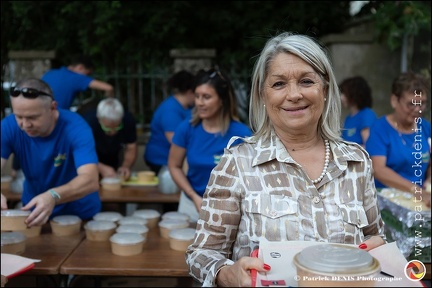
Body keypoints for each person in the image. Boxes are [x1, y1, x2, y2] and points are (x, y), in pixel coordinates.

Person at [185, 32, 386, 287]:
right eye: (279, 84)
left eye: (306, 81)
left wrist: (379, 252)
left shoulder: (356, 162)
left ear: (324, 89)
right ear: (262, 95)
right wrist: (227, 273)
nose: (294, 94)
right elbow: (200, 254)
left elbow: (375, 238)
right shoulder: (238, 163)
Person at [1, 78, 101, 227]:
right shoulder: (8, 126)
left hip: (79, 214)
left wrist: (53, 195)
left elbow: (90, 180)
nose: (25, 124)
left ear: (53, 107)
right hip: (34, 214)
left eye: (33, 117)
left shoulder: (76, 128)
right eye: (18, 116)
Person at [168, 67, 252, 223]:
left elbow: (251, 177)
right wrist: (192, 195)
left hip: (230, 209)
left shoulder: (241, 134)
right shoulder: (186, 129)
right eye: (197, 96)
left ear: (222, 100)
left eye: (206, 97)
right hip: (191, 205)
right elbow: (174, 166)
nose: (200, 102)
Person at [366, 72, 431, 207]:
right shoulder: (380, 129)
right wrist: (416, 190)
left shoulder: (425, 127)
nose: (418, 109)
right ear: (394, 101)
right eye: (411, 104)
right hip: (389, 202)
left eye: (422, 104)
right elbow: (378, 170)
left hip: (421, 200)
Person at [144, 70, 196, 174]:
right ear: (190, 92)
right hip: (162, 160)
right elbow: (175, 140)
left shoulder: (188, 107)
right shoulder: (170, 110)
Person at [81, 98, 138, 181]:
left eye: (117, 127)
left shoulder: (128, 120)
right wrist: (100, 167)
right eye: (107, 128)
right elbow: (81, 153)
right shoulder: (87, 123)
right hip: (90, 158)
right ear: (99, 119)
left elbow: (131, 147)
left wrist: (125, 166)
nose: (113, 132)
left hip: (112, 155)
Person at [41, 54, 114, 110]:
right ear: (80, 67)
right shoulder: (76, 78)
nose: (87, 77)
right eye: (87, 74)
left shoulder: (51, 73)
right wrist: (110, 106)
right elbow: (108, 88)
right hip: (55, 115)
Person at [339, 76, 377, 146]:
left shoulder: (367, 115)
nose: (341, 97)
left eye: (344, 93)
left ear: (355, 93)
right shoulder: (348, 118)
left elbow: (369, 146)